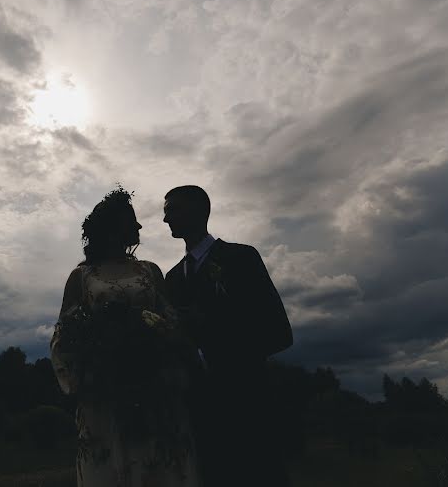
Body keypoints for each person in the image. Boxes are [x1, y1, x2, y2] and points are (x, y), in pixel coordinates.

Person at [50, 186, 201, 487]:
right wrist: (91, 371)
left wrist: (161, 352)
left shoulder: (150, 271)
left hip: (156, 394)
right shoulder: (82, 277)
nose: (139, 226)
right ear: (113, 227)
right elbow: (63, 336)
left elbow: (172, 322)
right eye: (132, 220)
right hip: (104, 399)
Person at [162, 185, 294, 487]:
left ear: (199, 210)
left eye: (172, 210)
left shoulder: (241, 258)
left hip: (249, 407)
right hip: (198, 416)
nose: (165, 219)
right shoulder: (170, 279)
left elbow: (279, 332)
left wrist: (212, 329)